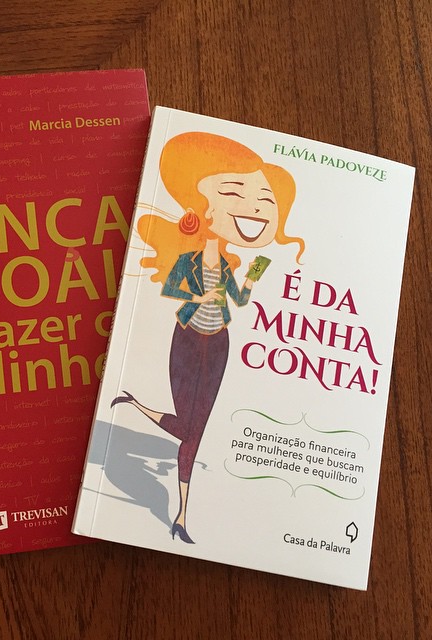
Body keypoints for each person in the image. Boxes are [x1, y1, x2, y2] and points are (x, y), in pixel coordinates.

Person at [111, 132, 304, 543]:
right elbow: (172, 290)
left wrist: (251, 279)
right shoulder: (188, 259)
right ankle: (179, 509)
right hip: (186, 338)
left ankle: (181, 513)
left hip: (218, 343)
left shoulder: (231, 267)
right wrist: (199, 296)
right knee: (189, 428)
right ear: (205, 211)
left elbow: (239, 300)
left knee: (195, 427)